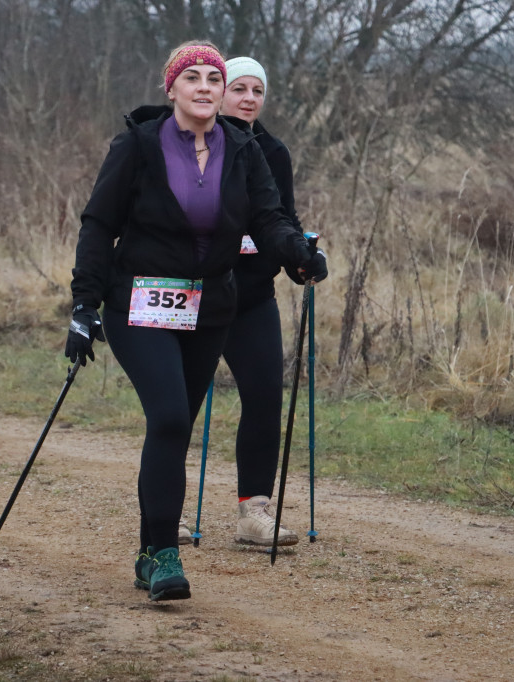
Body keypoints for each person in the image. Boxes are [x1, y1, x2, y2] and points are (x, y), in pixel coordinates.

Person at [65, 42, 328, 602]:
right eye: (194, 78)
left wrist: (298, 254)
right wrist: (84, 306)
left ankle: (146, 549)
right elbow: (97, 224)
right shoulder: (137, 145)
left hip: (210, 305)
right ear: (173, 89)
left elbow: (270, 216)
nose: (206, 87)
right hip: (139, 301)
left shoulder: (243, 149)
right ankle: (163, 555)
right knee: (167, 416)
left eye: (215, 77)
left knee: (177, 425)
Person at [218, 56, 312, 547]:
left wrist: (299, 257)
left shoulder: (273, 151)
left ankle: (254, 511)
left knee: (264, 398)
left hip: (253, 295)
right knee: (178, 405)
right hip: (198, 293)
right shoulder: (197, 143)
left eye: (257, 89)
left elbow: (282, 219)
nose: (249, 98)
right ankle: (163, 515)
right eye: (239, 88)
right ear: (218, 91)